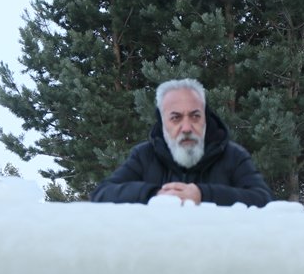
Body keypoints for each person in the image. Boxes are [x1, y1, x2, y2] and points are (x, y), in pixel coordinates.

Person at [91, 79, 274, 206]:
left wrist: (203, 194)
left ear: (205, 117)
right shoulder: (144, 156)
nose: (186, 127)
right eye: (176, 118)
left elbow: (263, 199)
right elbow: (102, 194)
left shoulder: (233, 155)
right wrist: (156, 195)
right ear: (162, 122)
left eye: (195, 116)